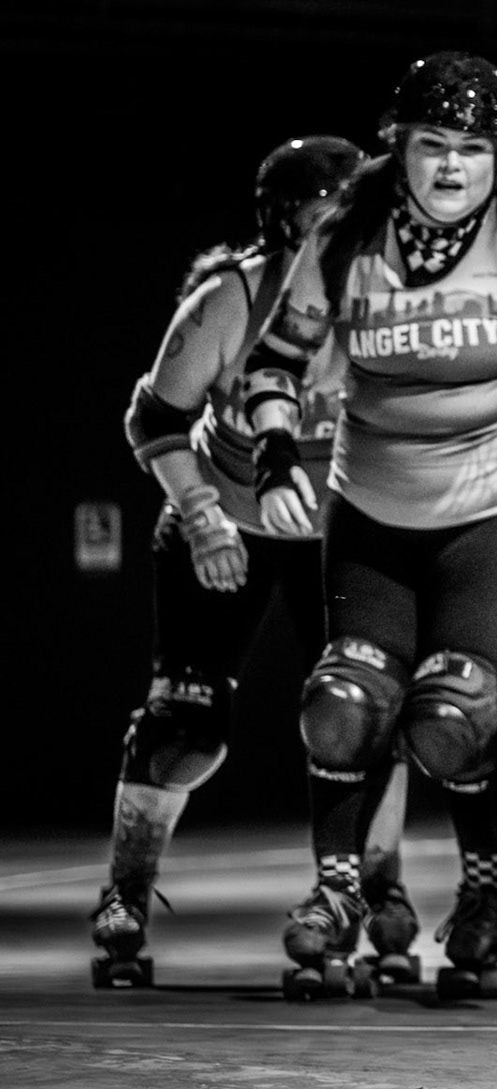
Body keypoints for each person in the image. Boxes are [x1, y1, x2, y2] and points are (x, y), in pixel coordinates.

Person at [242, 53, 497, 999]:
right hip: (373, 504)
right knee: (344, 702)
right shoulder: (348, 236)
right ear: (400, 145)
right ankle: (339, 889)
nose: (452, 166)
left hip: (494, 505)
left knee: (454, 713)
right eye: (433, 145)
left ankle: (481, 894)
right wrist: (273, 452)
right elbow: (275, 360)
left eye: (472, 148)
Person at [95, 137, 417, 987]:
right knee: (183, 728)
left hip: (337, 532)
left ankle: (373, 884)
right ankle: (127, 892)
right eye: (325, 216)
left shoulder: (394, 293)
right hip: (229, 515)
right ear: (284, 223)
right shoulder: (232, 297)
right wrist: (203, 520)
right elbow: (155, 418)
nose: (343, 233)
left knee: (365, 714)